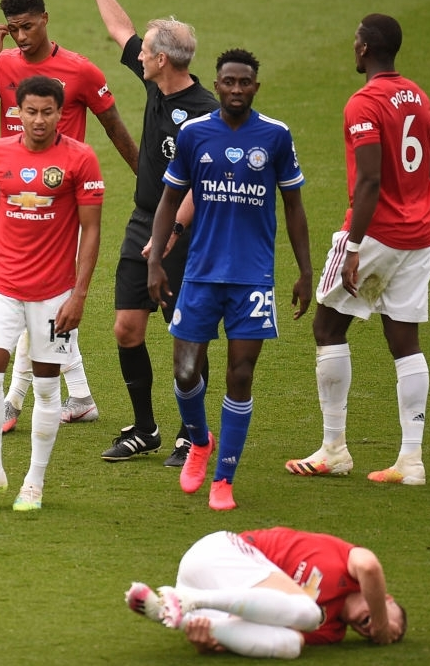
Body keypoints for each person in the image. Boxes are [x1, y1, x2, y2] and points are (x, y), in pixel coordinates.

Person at [0, 0, 138, 433]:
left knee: (37, 306)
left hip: (64, 207)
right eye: (14, 29)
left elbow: (116, 129)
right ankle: (79, 397)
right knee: (37, 308)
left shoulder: (79, 70)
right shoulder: (4, 65)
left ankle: (13, 401)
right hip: (15, 203)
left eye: (28, 26)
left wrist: (153, 183)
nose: (21, 37)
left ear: (46, 17)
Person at [147, 48, 313, 511]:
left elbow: (294, 208)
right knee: (184, 372)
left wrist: (304, 270)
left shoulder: (276, 136)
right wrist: (156, 260)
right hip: (200, 274)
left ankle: (224, 479)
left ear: (255, 87)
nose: (236, 89)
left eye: (245, 82)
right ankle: (199, 441)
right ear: (216, 84)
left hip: (253, 278)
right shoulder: (194, 134)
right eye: (228, 82)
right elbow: (167, 201)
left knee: (240, 375)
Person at [78, 0, 220, 467]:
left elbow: (204, 194)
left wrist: (168, 241)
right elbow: (121, 30)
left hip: (184, 231)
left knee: (185, 333)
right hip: (144, 222)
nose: (136, 54)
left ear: (163, 60)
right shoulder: (158, 83)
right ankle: (145, 427)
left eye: (145, 52)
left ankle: (193, 433)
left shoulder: (206, 115)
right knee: (125, 327)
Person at [286, 14, 430, 485]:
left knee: (328, 327)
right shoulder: (419, 96)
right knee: (405, 343)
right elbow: (429, 167)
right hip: (419, 235)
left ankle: (334, 449)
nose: (352, 46)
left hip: (375, 234)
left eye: (355, 40)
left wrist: (353, 246)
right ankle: (411, 460)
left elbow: (370, 179)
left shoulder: (364, 103)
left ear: (365, 49)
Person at [0, 75, 103, 512]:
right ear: (17, 112)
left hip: (54, 294)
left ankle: (33, 482)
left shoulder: (80, 159)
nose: (38, 120)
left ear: (60, 113)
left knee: (49, 387)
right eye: (30, 111)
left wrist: (80, 295)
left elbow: (91, 232)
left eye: (47, 112)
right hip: (2, 287)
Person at [124, 527, 406, 659]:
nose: (372, 632)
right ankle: (192, 602)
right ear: (387, 599)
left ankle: (170, 611)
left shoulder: (332, 632)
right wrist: (383, 627)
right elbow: (369, 566)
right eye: (395, 624)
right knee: (307, 612)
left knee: (292, 645)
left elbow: (257, 625)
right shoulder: (348, 561)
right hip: (218, 554)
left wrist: (208, 639)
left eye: (371, 635)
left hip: (212, 600)